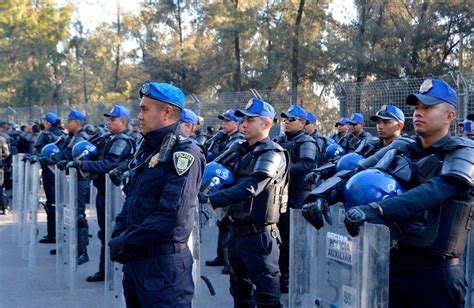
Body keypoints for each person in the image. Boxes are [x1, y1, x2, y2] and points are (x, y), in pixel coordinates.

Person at [343, 79, 473, 307]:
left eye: (428, 107)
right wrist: (322, 195)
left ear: (450, 115)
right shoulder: (404, 148)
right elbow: (361, 172)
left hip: (437, 274)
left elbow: (432, 191)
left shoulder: (463, 153)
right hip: (397, 264)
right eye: (416, 108)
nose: (418, 114)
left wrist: (377, 208)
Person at [109, 82, 205, 307]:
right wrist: (119, 232)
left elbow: (171, 215)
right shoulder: (149, 149)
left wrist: (125, 240)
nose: (139, 116)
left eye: (145, 109)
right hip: (137, 259)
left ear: (167, 113)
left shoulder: (184, 152)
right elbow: (132, 198)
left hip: (163, 268)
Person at [200, 97, 289, 307]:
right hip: (235, 231)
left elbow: (252, 186)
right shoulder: (240, 149)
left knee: (267, 298)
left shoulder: (272, 152)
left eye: (250, 120)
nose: (244, 124)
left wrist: (211, 199)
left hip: (260, 237)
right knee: (239, 293)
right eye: (243, 120)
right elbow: (214, 166)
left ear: (266, 124)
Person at [67, 105, 135, 282]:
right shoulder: (109, 138)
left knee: (112, 232)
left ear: (124, 122)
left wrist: (82, 164)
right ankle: (105, 271)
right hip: (102, 190)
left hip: (112, 193)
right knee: (104, 232)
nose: (109, 122)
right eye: (109, 119)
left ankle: (113, 274)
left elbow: (108, 165)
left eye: (113, 119)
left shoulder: (122, 141)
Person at [274, 104, 316, 293]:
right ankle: (282, 276)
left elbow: (306, 165)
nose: (286, 123)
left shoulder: (306, 141)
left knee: (296, 239)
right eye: (285, 119)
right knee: (281, 238)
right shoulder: (280, 139)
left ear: (303, 122)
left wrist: (280, 171)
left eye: (291, 119)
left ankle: (295, 277)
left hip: (298, 195)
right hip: (280, 194)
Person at [54, 110, 91, 265]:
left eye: (69, 121)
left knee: (79, 214)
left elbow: (69, 156)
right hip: (75, 178)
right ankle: (75, 248)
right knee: (73, 213)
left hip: (81, 179)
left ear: (76, 122)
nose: (66, 124)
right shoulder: (73, 137)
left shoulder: (81, 138)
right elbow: (63, 154)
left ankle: (82, 252)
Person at [34, 112, 65, 242]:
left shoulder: (44, 135)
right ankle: (59, 232)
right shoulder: (63, 135)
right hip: (62, 172)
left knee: (51, 203)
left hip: (49, 172)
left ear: (48, 123)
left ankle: (53, 234)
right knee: (60, 202)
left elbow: (38, 152)